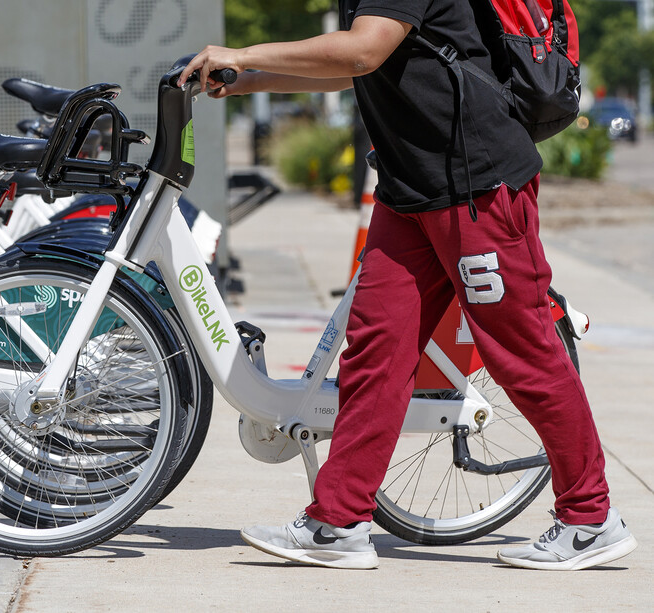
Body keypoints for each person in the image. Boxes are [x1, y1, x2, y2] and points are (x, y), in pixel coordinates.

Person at [180, 0, 637, 571]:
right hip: (411, 188)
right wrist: (249, 79)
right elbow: (362, 63)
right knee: (377, 349)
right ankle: (338, 522)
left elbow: (362, 48)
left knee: (522, 351)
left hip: (477, 187)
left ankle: (591, 519)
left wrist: (243, 52)